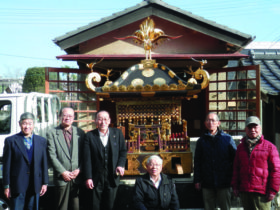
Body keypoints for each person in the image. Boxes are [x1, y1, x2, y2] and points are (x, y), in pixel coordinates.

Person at [231, 116, 280, 210]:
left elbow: (276, 170)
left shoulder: (270, 147)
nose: (252, 130)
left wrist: (273, 190)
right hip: (245, 191)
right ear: (245, 129)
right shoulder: (240, 148)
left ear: (260, 128)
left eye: (255, 127)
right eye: (249, 127)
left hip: (262, 192)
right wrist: (235, 186)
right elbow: (236, 169)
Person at [2, 112, 48, 210]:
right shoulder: (11, 141)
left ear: (33, 124)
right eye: (24, 123)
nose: (27, 126)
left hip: (35, 183)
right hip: (17, 184)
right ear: (19, 124)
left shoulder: (41, 141)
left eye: (30, 123)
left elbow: (44, 164)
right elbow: (7, 165)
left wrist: (45, 182)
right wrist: (6, 186)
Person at [83, 110, 127, 210]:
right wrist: (88, 177)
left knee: (110, 206)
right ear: (95, 121)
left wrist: (120, 165)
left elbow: (123, 151)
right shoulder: (89, 136)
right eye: (100, 119)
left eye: (105, 119)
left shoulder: (117, 133)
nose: (103, 122)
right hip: (95, 177)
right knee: (95, 205)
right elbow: (86, 158)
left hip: (112, 176)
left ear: (109, 120)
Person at [193, 112, 236, 210]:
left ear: (218, 123)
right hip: (207, 181)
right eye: (208, 120)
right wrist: (197, 180)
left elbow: (235, 160)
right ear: (205, 123)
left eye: (213, 120)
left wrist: (234, 179)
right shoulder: (201, 141)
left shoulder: (227, 139)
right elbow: (197, 161)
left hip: (224, 181)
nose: (210, 122)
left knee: (225, 207)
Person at [47, 107, 85, 210]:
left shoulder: (80, 133)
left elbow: (85, 154)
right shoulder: (52, 133)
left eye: (70, 116)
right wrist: (63, 172)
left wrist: (79, 169)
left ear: (74, 118)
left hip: (76, 177)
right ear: (60, 116)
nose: (67, 118)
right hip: (61, 177)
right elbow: (52, 155)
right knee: (61, 207)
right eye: (65, 115)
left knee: (76, 206)